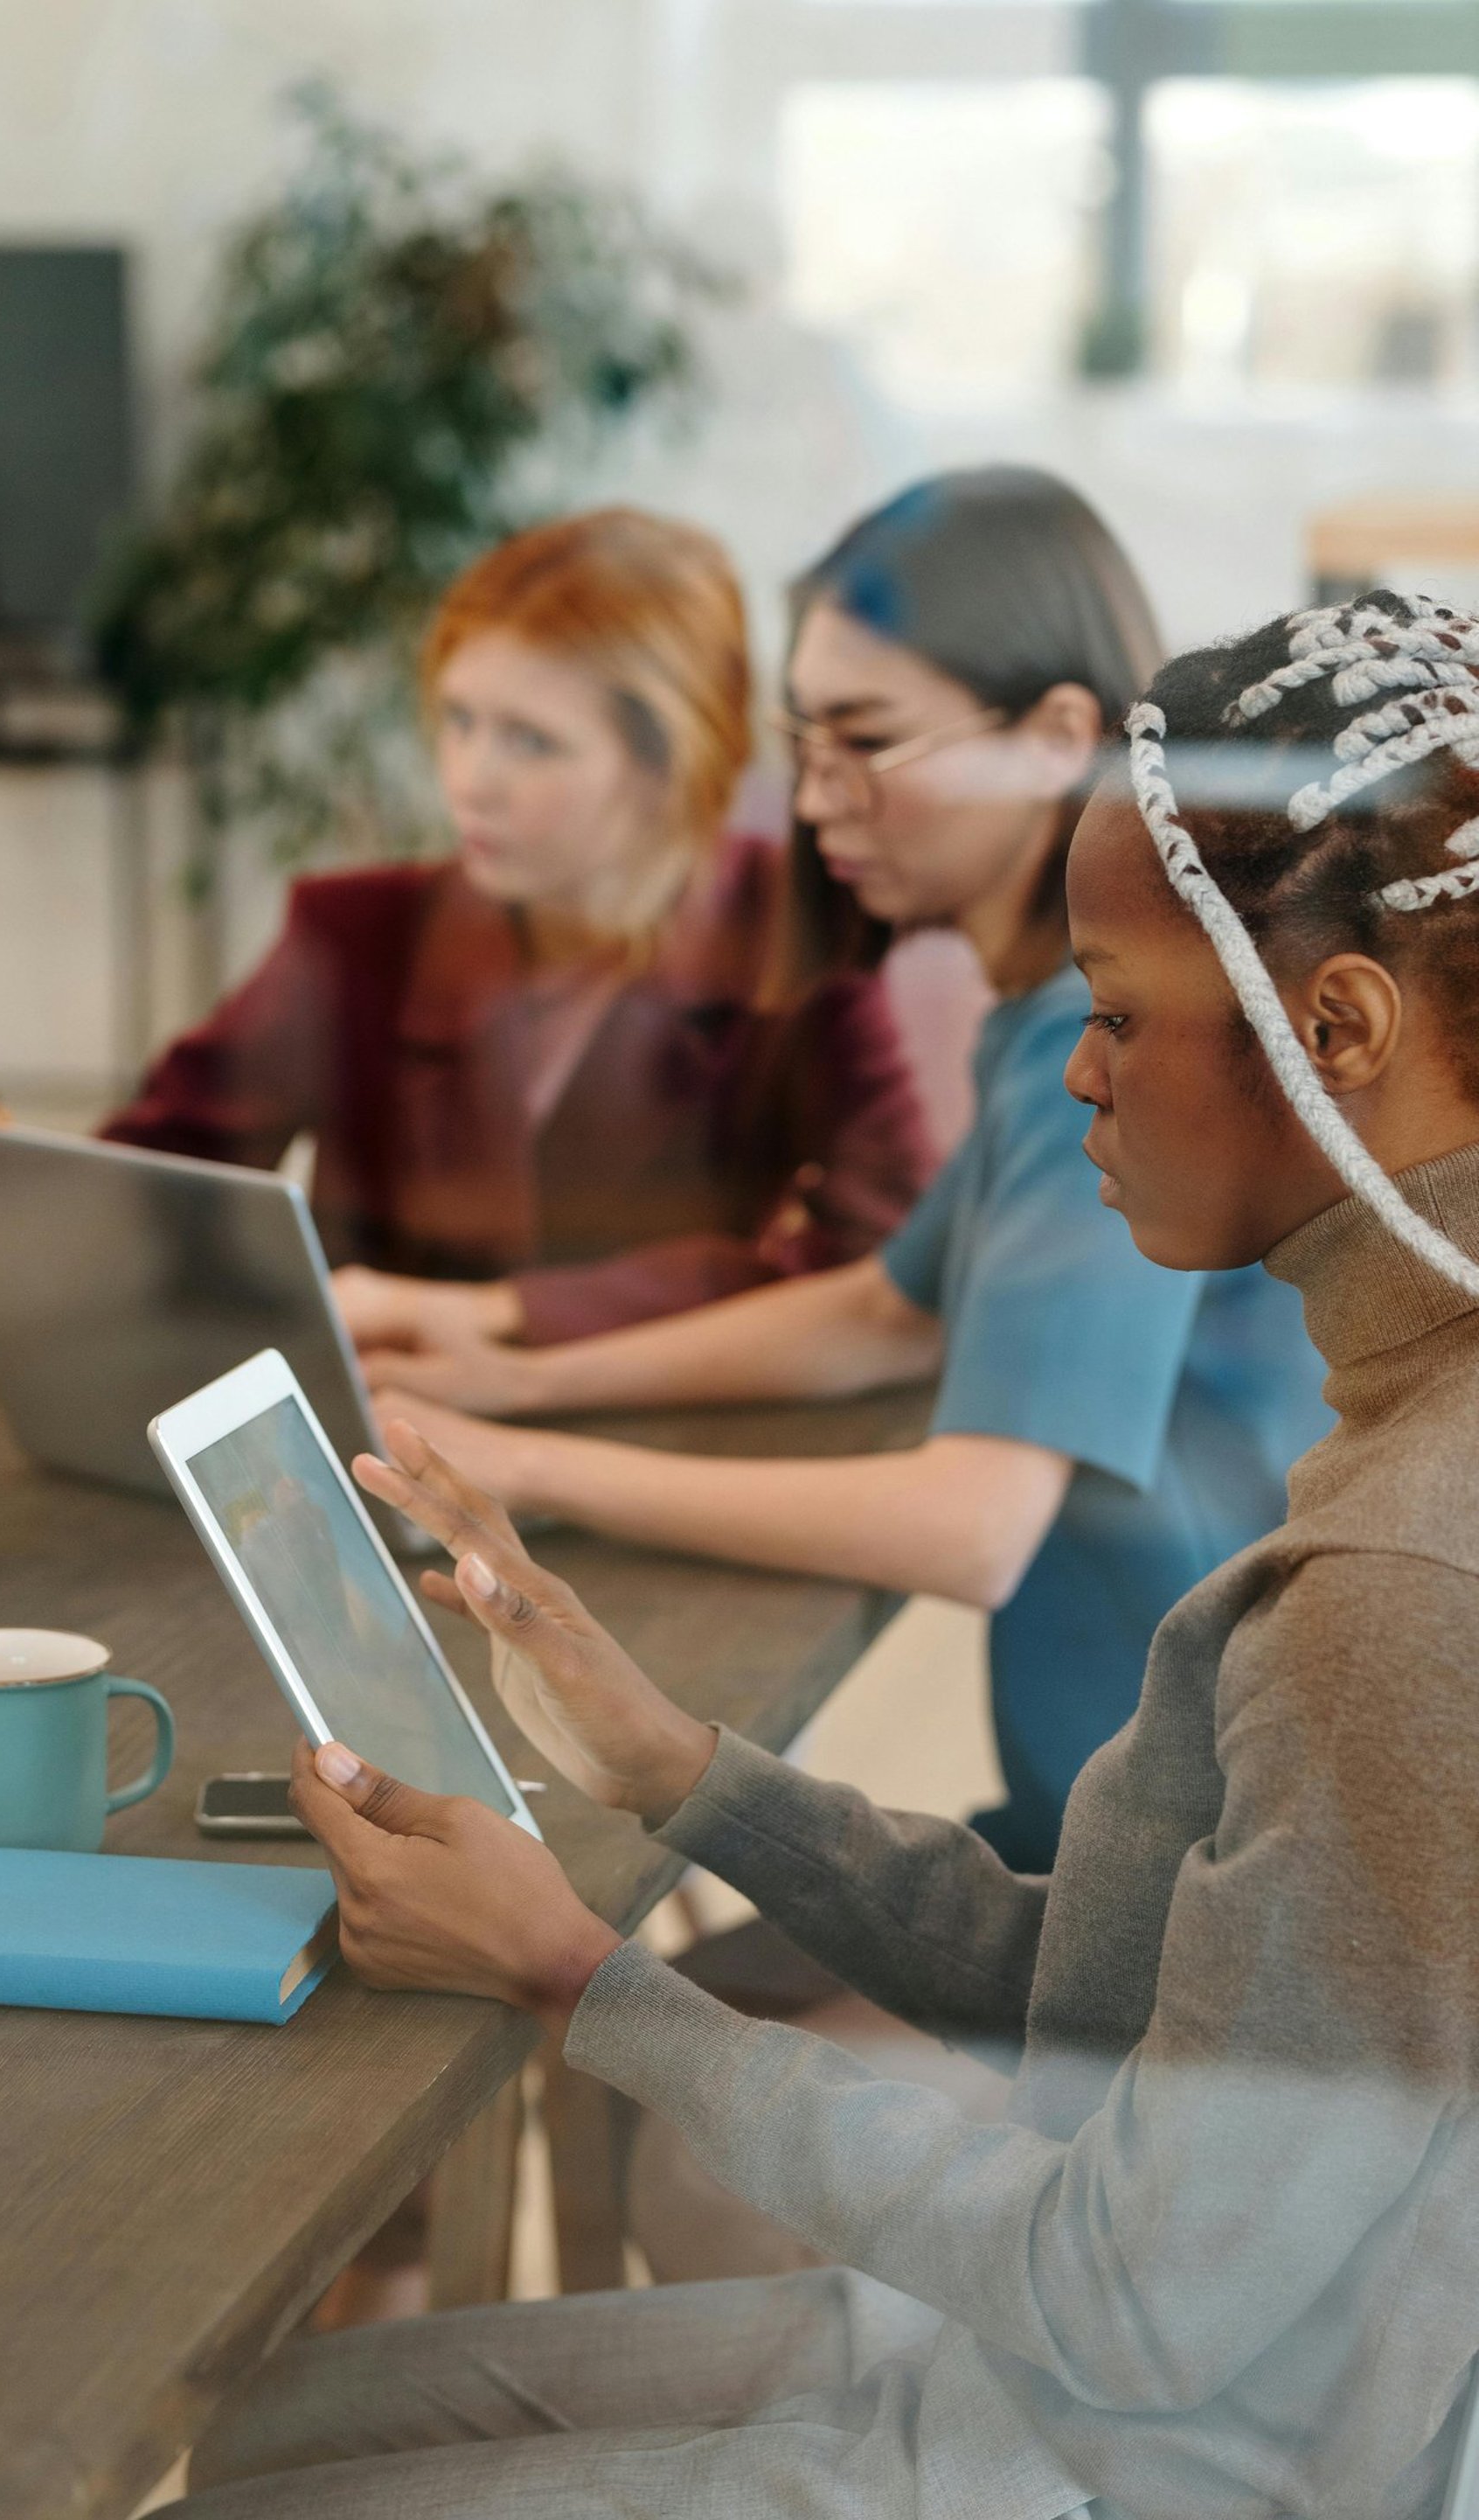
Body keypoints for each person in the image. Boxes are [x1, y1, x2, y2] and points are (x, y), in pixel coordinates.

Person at [180, 588, 1479, 2520]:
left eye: (1117, 1014)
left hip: (1158, 2458)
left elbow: (1125, 2299)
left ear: (1339, 1027)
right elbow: (1165, 2003)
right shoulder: (1399, 1430)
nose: (1076, 1077)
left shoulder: (1395, 1589)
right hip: (1101, 2388)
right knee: (272, 2432)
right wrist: (679, 1773)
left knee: (272, 2500)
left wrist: (581, 1977)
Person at [367, 470, 1330, 1869]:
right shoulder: (1049, 1012)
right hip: (1134, 1831)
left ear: (1055, 737)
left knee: (605, 1989)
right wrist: (516, 1368)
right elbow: (892, 1307)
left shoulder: (1115, 1033)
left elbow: (970, 1524)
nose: (814, 800)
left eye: (865, 742)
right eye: (803, 745)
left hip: (1196, 1886)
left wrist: (529, 1469)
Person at [101, 508, 928, 1348]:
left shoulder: (795, 930)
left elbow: (890, 1263)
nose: (469, 780)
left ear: (670, 766)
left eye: (531, 741)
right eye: (459, 721)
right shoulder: (355, 933)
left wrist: (495, 1315)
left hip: (654, 1448)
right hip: (373, 1442)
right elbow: (148, 1183)